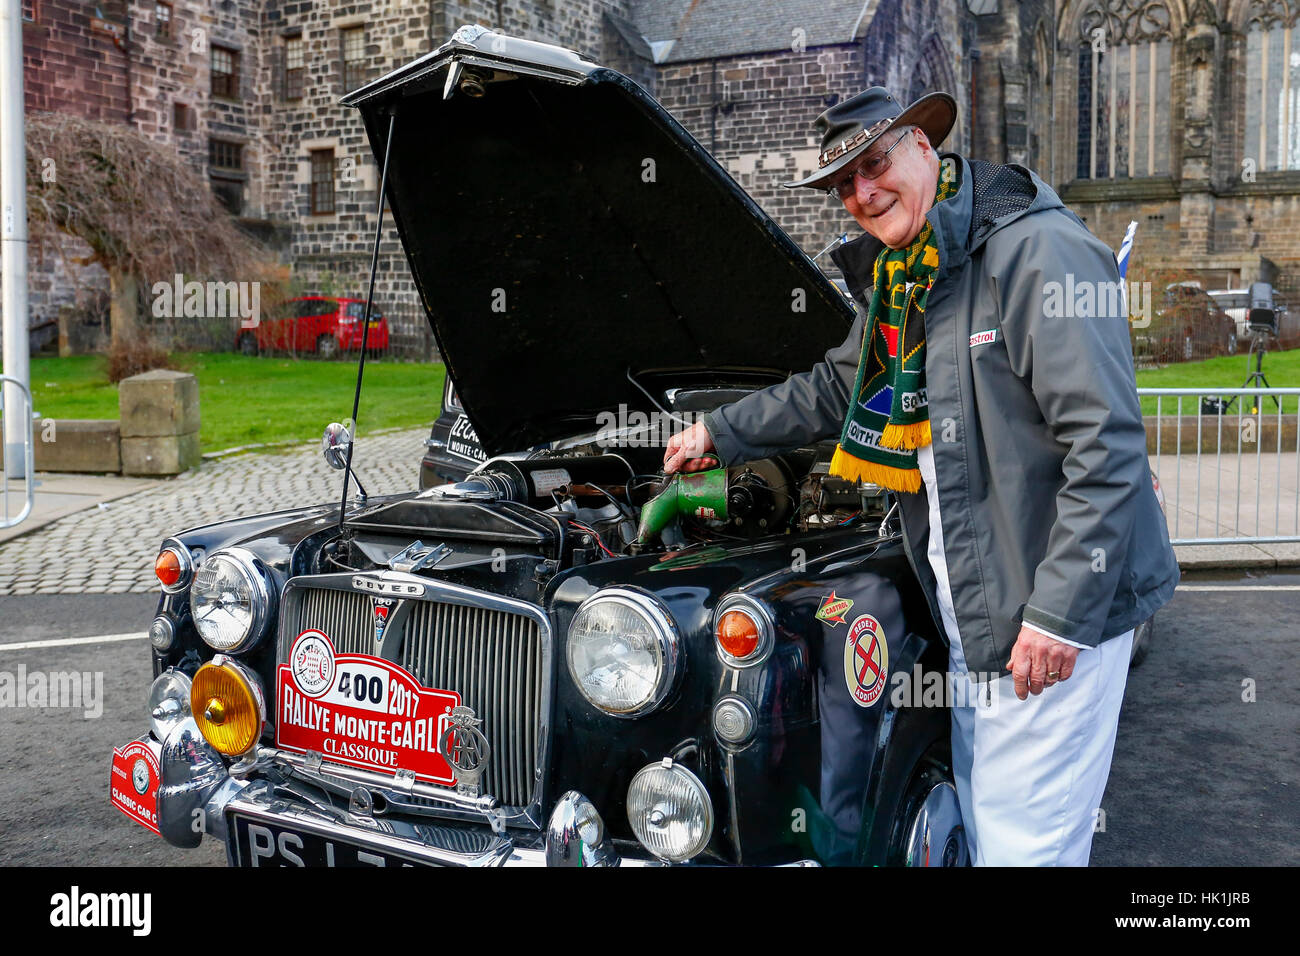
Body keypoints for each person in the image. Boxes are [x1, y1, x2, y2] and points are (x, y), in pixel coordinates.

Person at [663, 87, 1179, 866]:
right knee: (980, 821)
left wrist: (1059, 615)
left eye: (875, 164)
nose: (863, 193)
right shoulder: (908, 279)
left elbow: (1104, 445)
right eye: (845, 184)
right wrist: (718, 431)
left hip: (1048, 614)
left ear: (924, 149)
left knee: (1027, 851)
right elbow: (835, 389)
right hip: (975, 613)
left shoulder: (1037, 251)